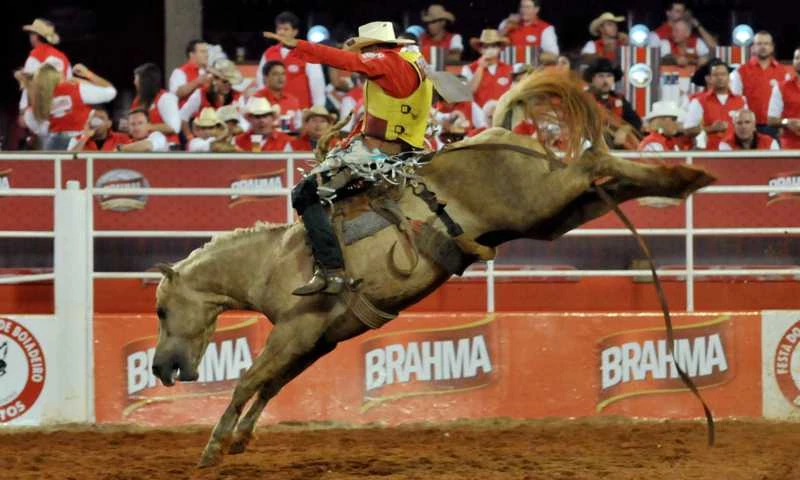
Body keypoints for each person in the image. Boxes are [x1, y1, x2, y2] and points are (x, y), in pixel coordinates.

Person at [265, 20, 433, 295]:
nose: (360, 56)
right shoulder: (413, 62)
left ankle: (332, 270)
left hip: (377, 154)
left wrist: (300, 46)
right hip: (406, 149)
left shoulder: (384, 61)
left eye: (362, 50)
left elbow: (345, 60)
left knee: (305, 192)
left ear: (372, 48)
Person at [23, 63, 117, 150]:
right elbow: (110, 92)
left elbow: (39, 128)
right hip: (78, 142)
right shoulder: (73, 90)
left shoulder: (38, 100)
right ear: (55, 76)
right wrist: (86, 75)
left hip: (53, 144)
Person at [257, 11, 325, 108]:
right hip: (273, 112)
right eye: (279, 29)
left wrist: (317, 109)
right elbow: (261, 82)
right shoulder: (268, 53)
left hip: (302, 111)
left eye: (286, 29)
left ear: (295, 32)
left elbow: (317, 84)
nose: (281, 32)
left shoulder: (307, 53)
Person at [730, 31, 791, 136]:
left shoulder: (784, 72)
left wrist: (783, 124)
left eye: (766, 44)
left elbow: (787, 102)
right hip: (750, 128)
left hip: (775, 127)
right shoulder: (740, 71)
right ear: (753, 47)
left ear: (772, 47)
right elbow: (735, 101)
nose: (763, 47)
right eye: (759, 44)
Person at [684, 59, 746, 150]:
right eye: (716, 75)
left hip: (736, 152)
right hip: (711, 153)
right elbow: (688, 130)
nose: (720, 78)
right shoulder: (698, 101)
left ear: (729, 77)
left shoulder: (742, 100)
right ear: (709, 79)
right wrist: (711, 128)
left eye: (723, 74)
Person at [583, 57, 642, 148]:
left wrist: (624, 130)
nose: (605, 81)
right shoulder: (583, 99)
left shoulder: (619, 99)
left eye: (609, 76)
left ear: (613, 79)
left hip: (617, 146)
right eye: (601, 76)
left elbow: (635, 121)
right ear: (592, 79)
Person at [16, 18, 71, 112]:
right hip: (64, 110)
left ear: (35, 36)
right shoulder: (63, 57)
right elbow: (70, 84)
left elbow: (28, 89)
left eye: (31, 33)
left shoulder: (35, 57)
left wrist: (23, 110)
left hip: (44, 112)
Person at [131, 63, 181, 146]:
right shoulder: (138, 101)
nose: (134, 82)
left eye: (136, 79)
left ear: (145, 81)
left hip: (166, 147)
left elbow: (174, 127)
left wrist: (149, 127)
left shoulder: (166, 98)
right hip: (141, 146)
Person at [461, 29, 513, 108]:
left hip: (503, 113)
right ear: (480, 50)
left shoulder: (510, 69)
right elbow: (466, 94)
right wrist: (480, 67)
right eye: (486, 47)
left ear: (500, 49)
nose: (490, 49)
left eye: (493, 46)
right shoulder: (468, 69)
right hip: (479, 115)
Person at [254, 61, 302, 132]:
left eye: (283, 74)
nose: (281, 78)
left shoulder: (293, 100)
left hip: (288, 140)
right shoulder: (256, 99)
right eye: (275, 74)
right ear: (265, 78)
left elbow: (299, 126)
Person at [767, 46, 800, 149]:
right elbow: (771, 120)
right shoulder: (781, 87)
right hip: (790, 146)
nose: (799, 61)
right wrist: (787, 122)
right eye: (797, 58)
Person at [650, 1, 717, 50]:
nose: (682, 14)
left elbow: (715, 48)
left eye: (683, 12)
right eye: (678, 11)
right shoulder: (656, 35)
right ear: (668, 13)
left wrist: (698, 25)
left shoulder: (690, 33)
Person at [169, 40, 211, 105]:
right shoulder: (179, 72)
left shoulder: (207, 71)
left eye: (206, 52)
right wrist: (197, 82)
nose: (207, 55)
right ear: (192, 54)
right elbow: (178, 93)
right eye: (203, 52)